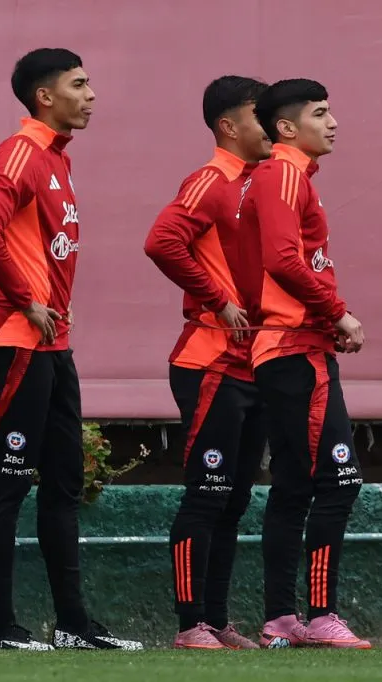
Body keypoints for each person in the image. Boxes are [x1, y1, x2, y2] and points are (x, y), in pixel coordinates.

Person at [0, 47, 142, 651]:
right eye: (80, 84)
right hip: (18, 341)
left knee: (65, 484)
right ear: (46, 95)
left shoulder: (57, 161)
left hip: (52, 345)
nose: (91, 94)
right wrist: (24, 298)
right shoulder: (19, 153)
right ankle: (0, 628)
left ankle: (72, 625)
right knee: (9, 484)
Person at [234, 78, 370, 649]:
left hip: (293, 347)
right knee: (339, 480)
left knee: (293, 486)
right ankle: (319, 617)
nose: (333, 121)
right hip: (293, 351)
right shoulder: (283, 173)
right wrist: (337, 313)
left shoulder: (285, 177)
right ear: (287, 128)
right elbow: (283, 260)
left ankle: (280, 620)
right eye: (320, 113)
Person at [144, 75, 272, 650]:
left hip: (256, 365)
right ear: (228, 125)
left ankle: (218, 621)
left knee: (237, 497)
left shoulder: (262, 184)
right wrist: (217, 300)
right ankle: (189, 623)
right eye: (259, 115)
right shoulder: (211, 179)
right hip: (210, 362)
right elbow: (161, 240)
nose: (272, 125)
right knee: (208, 491)